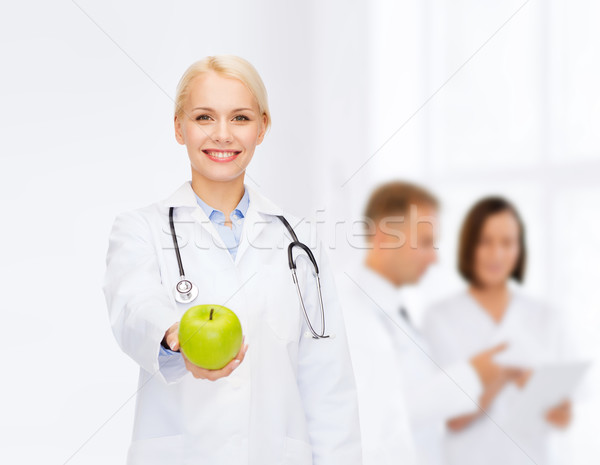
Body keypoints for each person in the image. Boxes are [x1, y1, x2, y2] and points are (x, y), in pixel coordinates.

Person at [102, 55, 362, 465]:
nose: (222, 134)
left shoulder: (301, 241)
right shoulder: (140, 229)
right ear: (178, 128)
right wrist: (174, 336)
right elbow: (133, 307)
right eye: (204, 117)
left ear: (262, 127)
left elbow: (327, 383)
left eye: (240, 118)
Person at [337, 181, 514, 465]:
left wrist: (483, 386)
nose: (434, 258)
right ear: (385, 237)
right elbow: (379, 413)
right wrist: (471, 375)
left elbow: (420, 407)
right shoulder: (350, 311)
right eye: (425, 242)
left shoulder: (400, 311)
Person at [422, 196, 573, 465]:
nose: (497, 254)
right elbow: (452, 419)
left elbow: (562, 418)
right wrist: (503, 375)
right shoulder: (440, 318)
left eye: (507, 243)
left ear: (520, 249)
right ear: (469, 247)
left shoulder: (546, 317)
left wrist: (540, 393)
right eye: (485, 242)